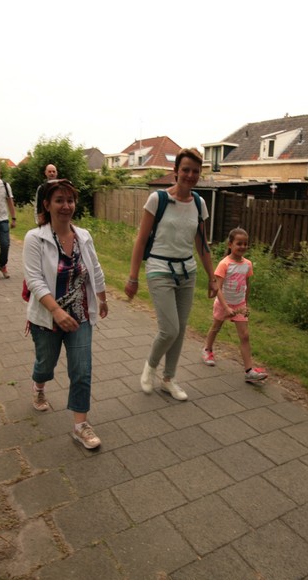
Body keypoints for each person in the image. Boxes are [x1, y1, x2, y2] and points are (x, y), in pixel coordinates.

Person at [124, 148, 218, 401]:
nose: (190, 175)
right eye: (185, 170)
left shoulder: (199, 203)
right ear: (175, 171)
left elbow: (202, 244)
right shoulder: (158, 199)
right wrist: (133, 277)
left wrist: (212, 277)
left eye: (195, 171)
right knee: (169, 329)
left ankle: (169, 379)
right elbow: (141, 240)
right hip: (160, 269)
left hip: (188, 272)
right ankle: (150, 367)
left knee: (181, 328)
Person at [23, 179, 108, 449]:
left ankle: (80, 425)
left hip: (80, 315)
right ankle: (39, 386)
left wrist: (102, 297)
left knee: (81, 370)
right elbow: (34, 280)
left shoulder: (83, 236)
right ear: (47, 205)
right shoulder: (35, 238)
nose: (66, 206)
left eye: (70, 200)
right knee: (45, 365)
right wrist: (56, 311)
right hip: (47, 317)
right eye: (59, 200)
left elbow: (94, 268)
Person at [201, 228, 269, 384]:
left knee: (245, 336)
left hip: (240, 305)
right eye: (239, 243)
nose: (243, 246)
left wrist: (246, 304)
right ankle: (207, 349)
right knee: (216, 327)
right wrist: (226, 307)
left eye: (245, 244)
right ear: (230, 244)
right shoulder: (224, 264)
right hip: (223, 304)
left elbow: (247, 285)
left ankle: (249, 371)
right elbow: (217, 288)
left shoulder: (247, 264)